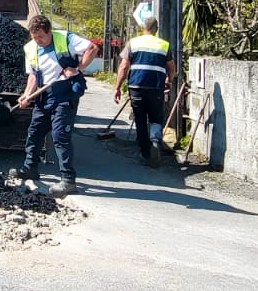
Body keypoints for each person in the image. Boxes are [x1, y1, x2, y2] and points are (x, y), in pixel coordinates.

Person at [13, 15, 96, 197]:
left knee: (60, 136)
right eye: (34, 37)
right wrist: (27, 95)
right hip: (45, 96)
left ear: (49, 31)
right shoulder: (31, 48)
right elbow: (33, 75)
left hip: (65, 94)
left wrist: (78, 68)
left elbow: (92, 47)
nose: (38, 41)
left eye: (41, 37)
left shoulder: (65, 39)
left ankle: (68, 180)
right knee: (34, 133)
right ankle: (30, 169)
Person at [114, 14, 175, 167]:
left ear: (142, 29)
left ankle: (146, 154)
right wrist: (169, 80)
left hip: (136, 87)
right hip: (156, 87)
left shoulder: (133, 43)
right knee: (155, 117)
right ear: (156, 29)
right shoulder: (164, 45)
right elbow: (171, 67)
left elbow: (123, 67)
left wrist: (117, 87)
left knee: (140, 120)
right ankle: (155, 140)